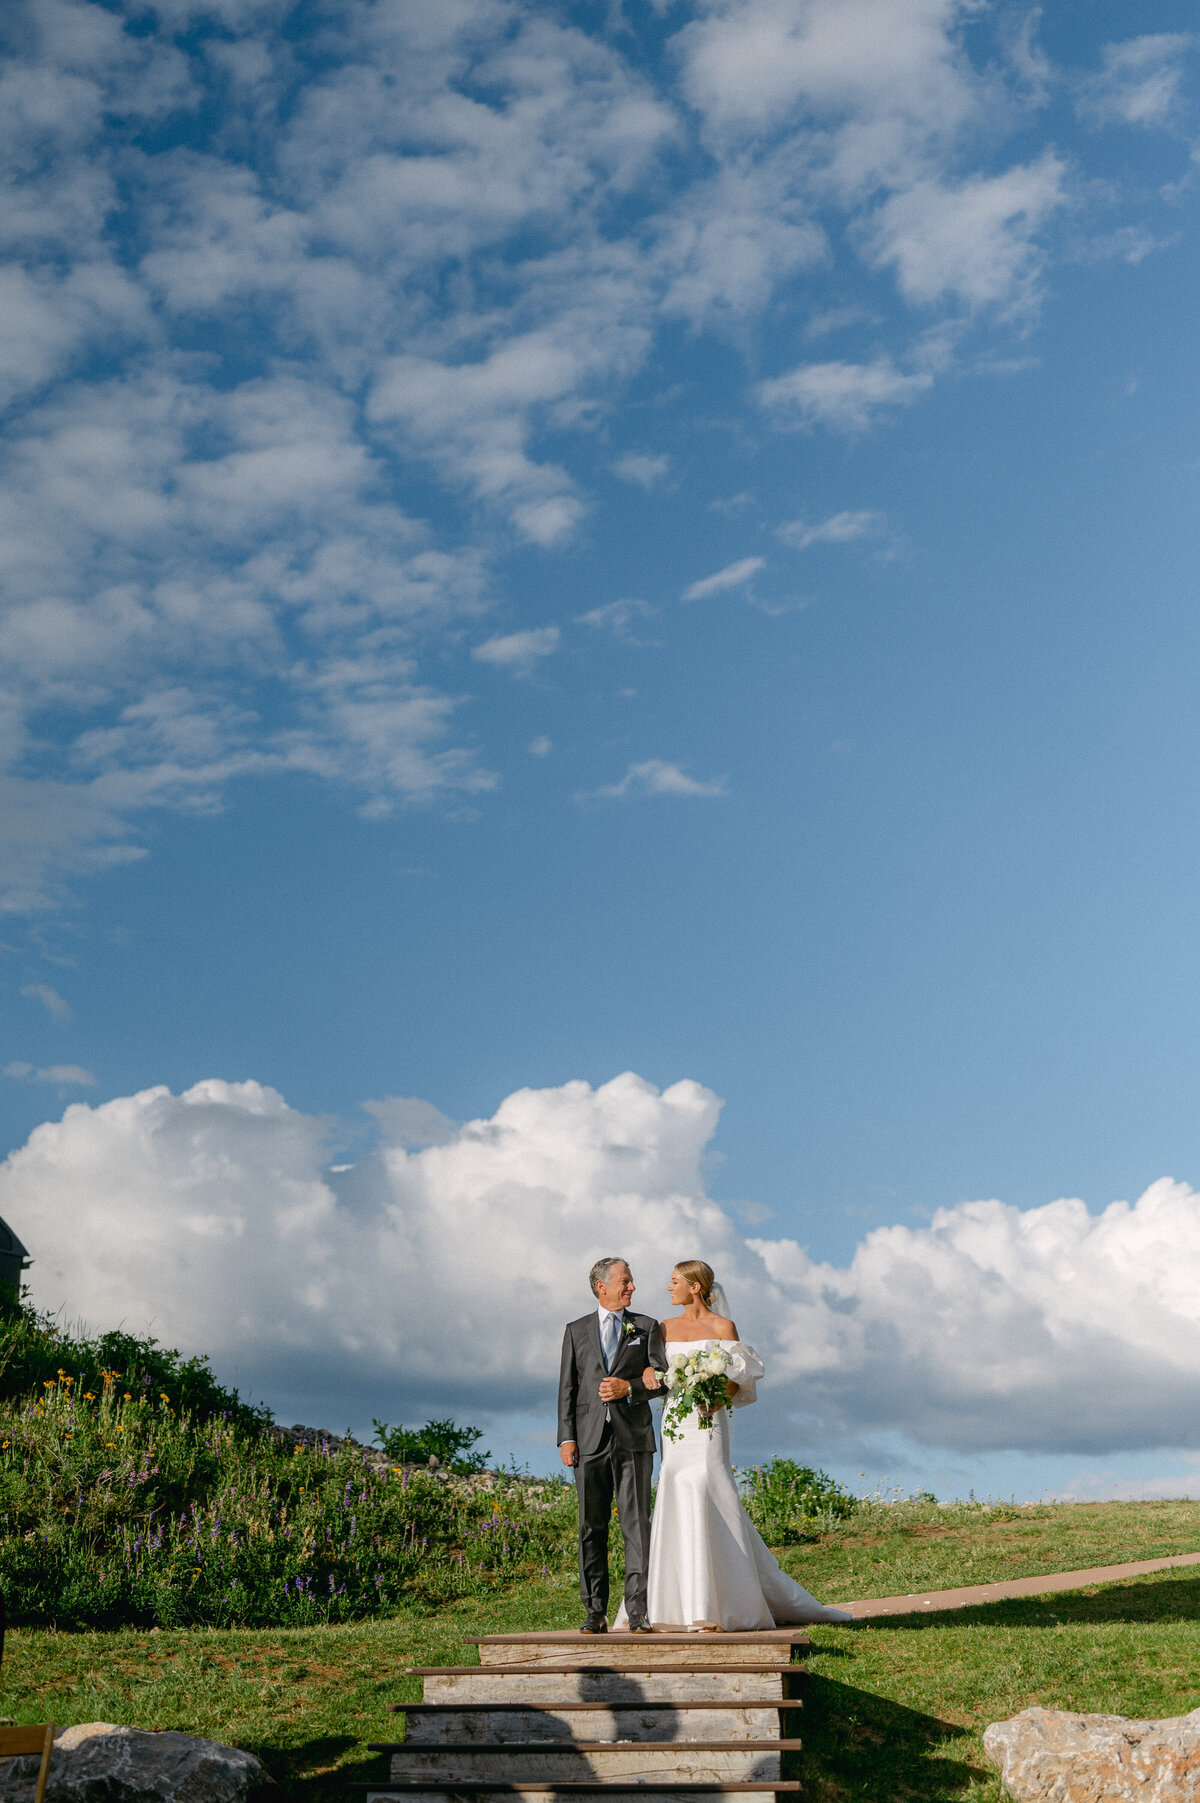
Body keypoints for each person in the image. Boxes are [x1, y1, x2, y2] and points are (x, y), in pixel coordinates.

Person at [631, 1259, 852, 1631]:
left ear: (695, 1287)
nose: (669, 1288)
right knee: (677, 1486)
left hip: (709, 1420)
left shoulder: (723, 1327)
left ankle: (720, 1603)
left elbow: (739, 1375)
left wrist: (718, 1396)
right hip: (675, 1421)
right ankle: (674, 1605)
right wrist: (649, 1372)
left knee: (709, 1486)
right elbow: (649, 1370)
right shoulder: (663, 1328)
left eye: (674, 1282)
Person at [557, 1256, 667, 1634]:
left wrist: (631, 1388)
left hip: (634, 1439)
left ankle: (638, 1612)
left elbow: (665, 1380)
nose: (632, 1287)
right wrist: (567, 1437)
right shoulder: (575, 1330)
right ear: (601, 1286)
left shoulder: (648, 1326)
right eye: (625, 1281)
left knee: (637, 1526)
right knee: (591, 1527)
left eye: (632, 1281)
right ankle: (595, 1611)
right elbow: (567, 1389)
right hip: (588, 1441)